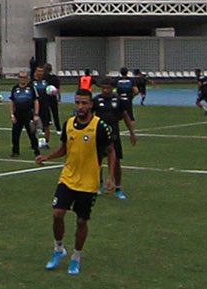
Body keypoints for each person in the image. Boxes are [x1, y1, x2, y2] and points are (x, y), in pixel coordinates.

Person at [34, 86, 108, 275]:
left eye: (84, 103)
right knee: (57, 214)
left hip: (89, 182)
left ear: (91, 104)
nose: (80, 106)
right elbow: (64, 149)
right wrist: (47, 157)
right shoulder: (68, 124)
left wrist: (112, 179)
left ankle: (76, 257)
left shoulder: (100, 126)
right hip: (68, 178)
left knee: (82, 222)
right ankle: (59, 249)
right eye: (77, 103)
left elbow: (111, 152)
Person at [96, 77, 137, 200]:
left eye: (108, 88)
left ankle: (118, 187)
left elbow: (125, 116)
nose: (106, 90)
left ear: (112, 88)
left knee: (116, 161)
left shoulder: (118, 101)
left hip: (114, 133)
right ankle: (99, 184)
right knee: (97, 160)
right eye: (103, 88)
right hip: (99, 134)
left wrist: (132, 132)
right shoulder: (96, 100)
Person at [8, 71, 41, 155]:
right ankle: (15, 151)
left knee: (32, 132)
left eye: (24, 77)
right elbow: (12, 102)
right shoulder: (15, 88)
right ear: (18, 78)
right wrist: (12, 115)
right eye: (21, 77)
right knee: (15, 133)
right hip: (18, 113)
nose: (23, 79)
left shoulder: (31, 88)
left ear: (27, 78)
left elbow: (36, 101)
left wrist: (36, 114)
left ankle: (36, 150)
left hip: (28, 113)